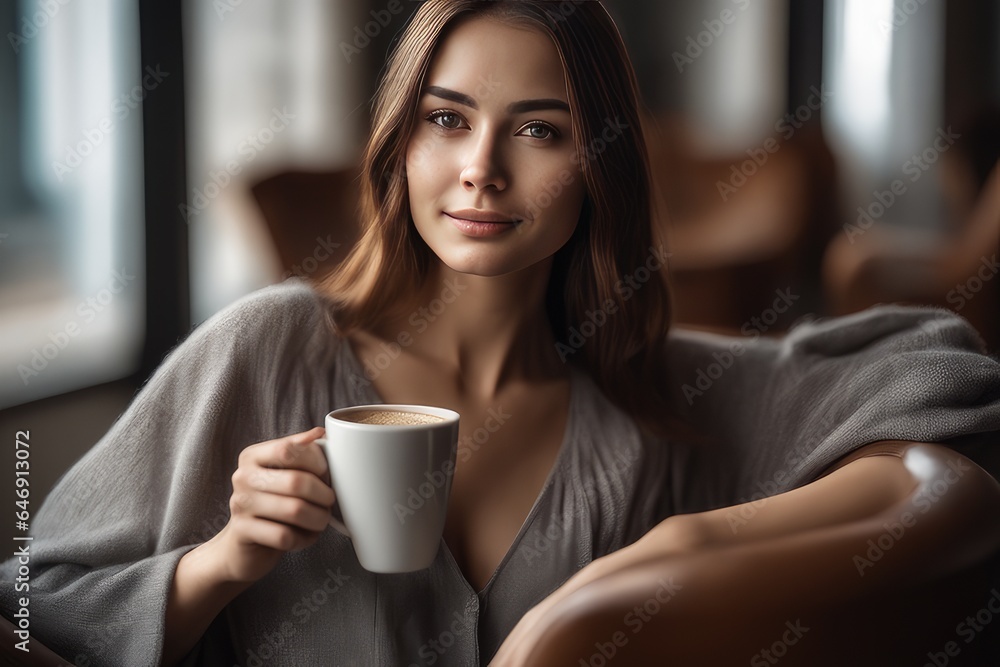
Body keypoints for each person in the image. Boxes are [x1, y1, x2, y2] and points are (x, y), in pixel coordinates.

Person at [2, 1, 999, 665]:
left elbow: (939, 373)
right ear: (400, 144)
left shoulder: (654, 392)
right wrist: (222, 559)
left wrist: (680, 547)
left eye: (538, 129)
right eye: (445, 120)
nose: (480, 168)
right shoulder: (267, 348)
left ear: (597, 166)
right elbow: (25, 604)